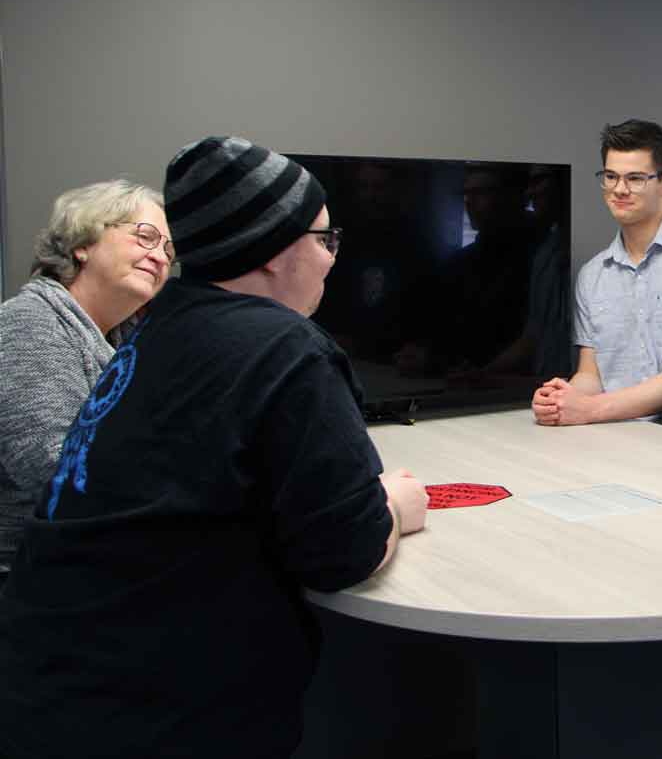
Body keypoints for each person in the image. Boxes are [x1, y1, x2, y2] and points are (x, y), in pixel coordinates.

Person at [0, 136, 429, 759]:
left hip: (50, 681)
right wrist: (393, 506)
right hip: (160, 716)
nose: (333, 260)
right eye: (325, 239)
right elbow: (343, 551)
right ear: (278, 251)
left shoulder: (155, 331)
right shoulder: (287, 347)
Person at [0, 180, 171, 581]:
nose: (160, 257)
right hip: (24, 583)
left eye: (168, 249)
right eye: (145, 237)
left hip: (80, 569)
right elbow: (54, 467)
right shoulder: (30, 322)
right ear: (83, 242)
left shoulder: (128, 341)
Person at [533, 118, 662, 424]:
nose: (619, 189)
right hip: (610, 431)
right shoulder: (593, 275)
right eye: (610, 176)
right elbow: (590, 375)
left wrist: (592, 409)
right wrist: (560, 398)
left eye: (635, 178)